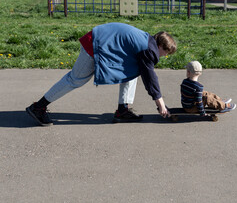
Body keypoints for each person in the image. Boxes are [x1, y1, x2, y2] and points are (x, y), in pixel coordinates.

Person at [26, 22, 177, 126]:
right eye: (166, 52)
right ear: (159, 45)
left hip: (100, 39)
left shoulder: (147, 41)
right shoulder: (149, 50)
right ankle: (38, 108)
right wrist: (160, 104)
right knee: (75, 79)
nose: (164, 56)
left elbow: (143, 71)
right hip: (94, 44)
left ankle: (123, 110)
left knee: (132, 70)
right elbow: (150, 78)